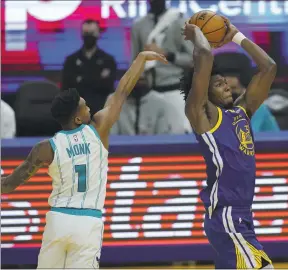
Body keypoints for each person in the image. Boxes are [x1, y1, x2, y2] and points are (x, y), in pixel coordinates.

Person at [1, 51, 167, 269]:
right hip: (88, 222)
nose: (90, 107)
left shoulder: (45, 148)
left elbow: (8, 185)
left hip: (58, 220)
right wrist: (141, 59)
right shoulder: (98, 129)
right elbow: (122, 91)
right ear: (78, 117)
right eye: (85, 105)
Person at [181, 17, 277, 269]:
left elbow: (268, 67)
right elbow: (203, 53)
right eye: (219, 83)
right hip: (226, 215)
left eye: (226, 82)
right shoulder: (202, 114)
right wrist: (196, 33)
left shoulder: (242, 112)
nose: (227, 86)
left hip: (243, 214)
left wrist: (236, 36)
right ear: (206, 92)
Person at [131, 0, 193, 133]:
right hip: (149, 92)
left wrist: (167, 55)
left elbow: (193, 59)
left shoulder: (179, 21)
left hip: (175, 91)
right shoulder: (138, 26)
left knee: (179, 136)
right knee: (148, 138)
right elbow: (135, 61)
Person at [62, 19, 117, 114]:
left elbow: (108, 87)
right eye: (86, 33)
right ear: (81, 35)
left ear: (98, 34)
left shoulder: (108, 60)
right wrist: (97, 78)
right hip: (76, 112)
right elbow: (67, 89)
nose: (89, 36)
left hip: (102, 111)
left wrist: (81, 79)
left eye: (92, 33)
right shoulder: (70, 61)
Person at [110, 76, 184, 135]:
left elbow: (163, 137)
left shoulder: (159, 102)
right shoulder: (114, 101)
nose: (137, 83)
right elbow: (111, 137)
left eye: (141, 80)